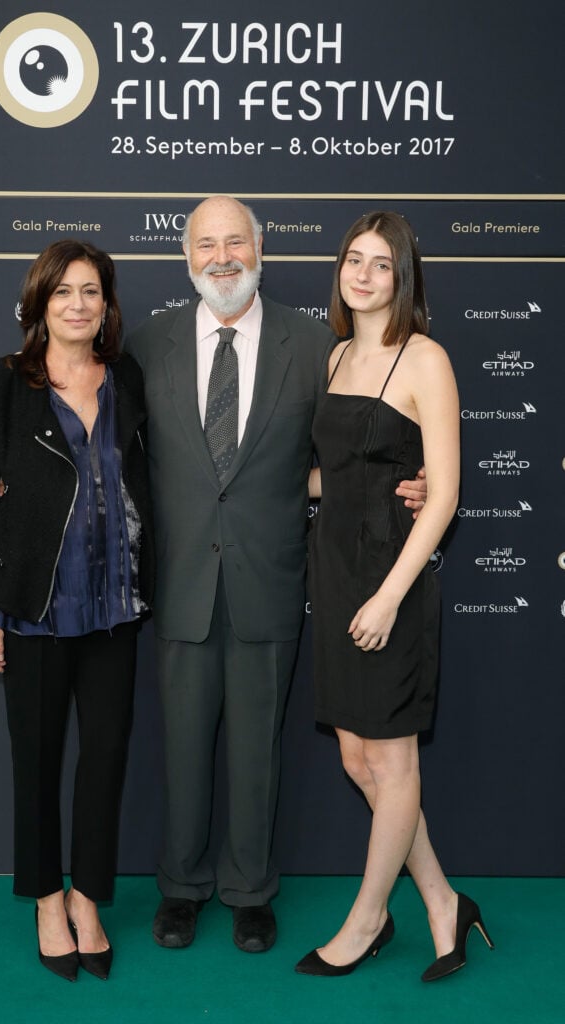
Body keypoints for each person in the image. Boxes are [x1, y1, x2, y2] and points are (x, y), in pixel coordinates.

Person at [124, 196, 426, 953]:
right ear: (184, 256)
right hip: (182, 581)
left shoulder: (311, 343)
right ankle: (182, 887)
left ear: (260, 250)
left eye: (235, 242)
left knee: (258, 747)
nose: (221, 257)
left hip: (272, 576)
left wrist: (400, 483)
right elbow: (112, 449)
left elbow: (343, 450)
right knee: (183, 745)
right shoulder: (149, 342)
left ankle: (250, 890)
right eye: (205, 245)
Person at [296, 212, 494, 981]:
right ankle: (442, 901)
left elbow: (440, 495)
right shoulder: (337, 353)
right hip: (335, 569)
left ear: (403, 278)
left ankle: (369, 918)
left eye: (382, 264)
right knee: (357, 756)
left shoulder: (425, 360)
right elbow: (335, 476)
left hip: (394, 577)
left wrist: (387, 597)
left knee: (392, 756)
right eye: (354, 260)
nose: (364, 274)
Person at [0, 240, 154, 981]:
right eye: (63, 291)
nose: (78, 304)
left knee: (105, 758)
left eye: (92, 292)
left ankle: (89, 900)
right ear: (40, 303)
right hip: (35, 609)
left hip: (116, 603)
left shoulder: (127, 377)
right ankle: (46, 898)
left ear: (107, 305)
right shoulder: (4, 384)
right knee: (36, 762)